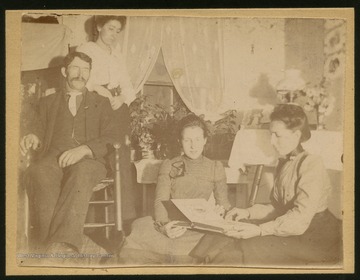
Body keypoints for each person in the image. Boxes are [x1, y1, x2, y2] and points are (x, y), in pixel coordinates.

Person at [194, 104, 342, 266]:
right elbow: (277, 207)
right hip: (289, 224)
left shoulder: (312, 164)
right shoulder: (284, 162)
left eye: (277, 135)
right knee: (226, 232)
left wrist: (259, 230)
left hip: (314, 235)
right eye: (271, 135)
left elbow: (300, 219)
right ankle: (201, 267)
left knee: (249, 245)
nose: (272, 141)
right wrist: (247, 212)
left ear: (296, 134)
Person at [20, 51, 118, 254]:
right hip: (54, 158)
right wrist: (33, 137)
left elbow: (112, 138)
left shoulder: (102, 103)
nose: (80, 74)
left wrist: (84, 149)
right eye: (75, 68)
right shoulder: (47, 102)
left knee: (81, 171)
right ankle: (59, 248)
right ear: (65, 71)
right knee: (38, 172)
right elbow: (37, 129)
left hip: (91, 161)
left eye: (85, 70)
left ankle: (58, 247)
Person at [118, 114, 232, 264]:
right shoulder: (169, 164)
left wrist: (220, 211)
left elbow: (224, 203)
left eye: (198, 139)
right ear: (180, 141)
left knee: (222, 242)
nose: (193, 145)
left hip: (201, 227)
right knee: (139, 227)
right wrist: (164, 226)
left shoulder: (215, 167)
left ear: (205, 140)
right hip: (174, 223)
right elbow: (161, 200)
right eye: (187, 140)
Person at [77, 15, 137, 223]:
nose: (114, 35)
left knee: (122, 155)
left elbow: (128, 86)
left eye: (118, 31)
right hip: (92, 105)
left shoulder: (117, 55)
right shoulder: (86, 49)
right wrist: (106, 93)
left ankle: (124, 218)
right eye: (110, 28)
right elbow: (83, 81)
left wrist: (121, 97)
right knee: (112, 153)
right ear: (99, 26)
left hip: (115, 106)